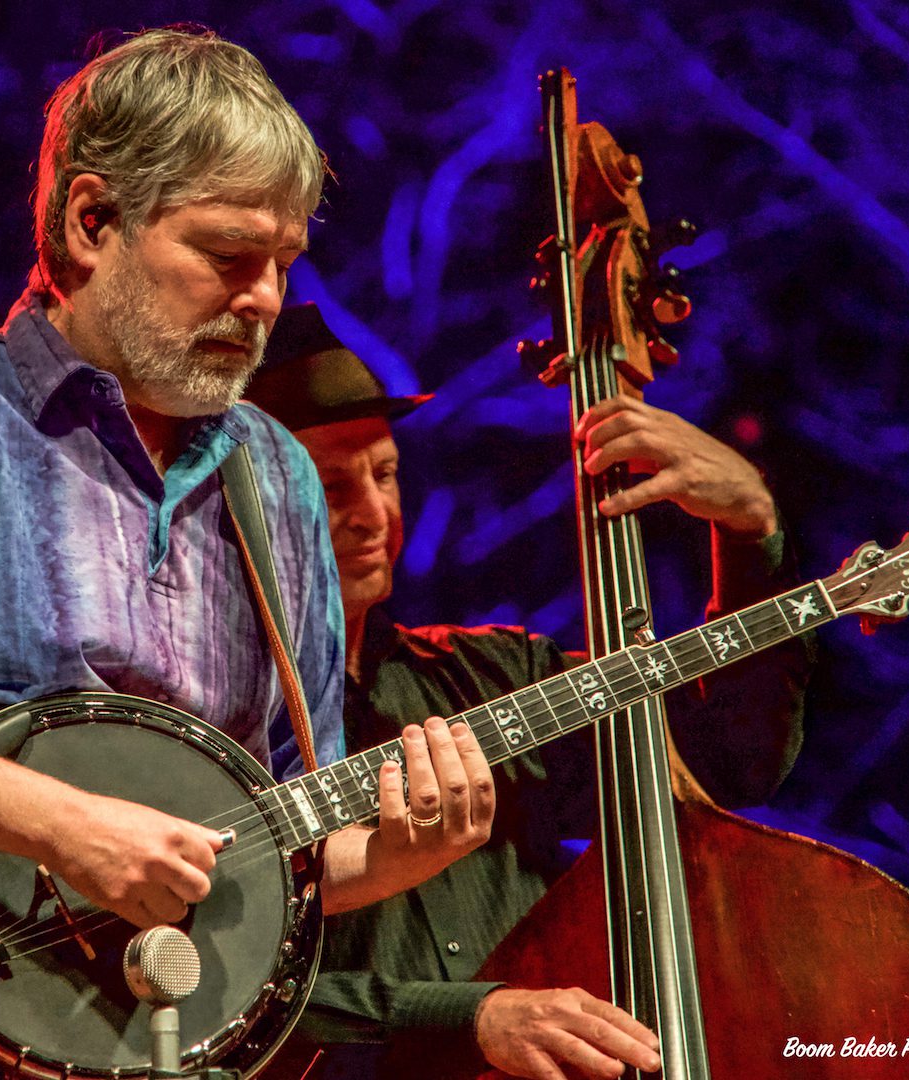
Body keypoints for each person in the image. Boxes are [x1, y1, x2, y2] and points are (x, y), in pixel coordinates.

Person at [0, 32, 495, 1080]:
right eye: (226, 256)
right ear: (92, 223)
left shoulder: (276, 478)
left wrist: (400, 855)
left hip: (170, 1049)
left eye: (281, 264)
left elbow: (258, 855)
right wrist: (61, 824)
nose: (264, 297)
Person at [244, 303, 812, 1080]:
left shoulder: (499, 677)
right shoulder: (209, 723)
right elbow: (204, 988)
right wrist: (464, 1017)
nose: (373, 514)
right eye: (332, 488)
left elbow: (729, 763)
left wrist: (749, 530)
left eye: (384, 474)